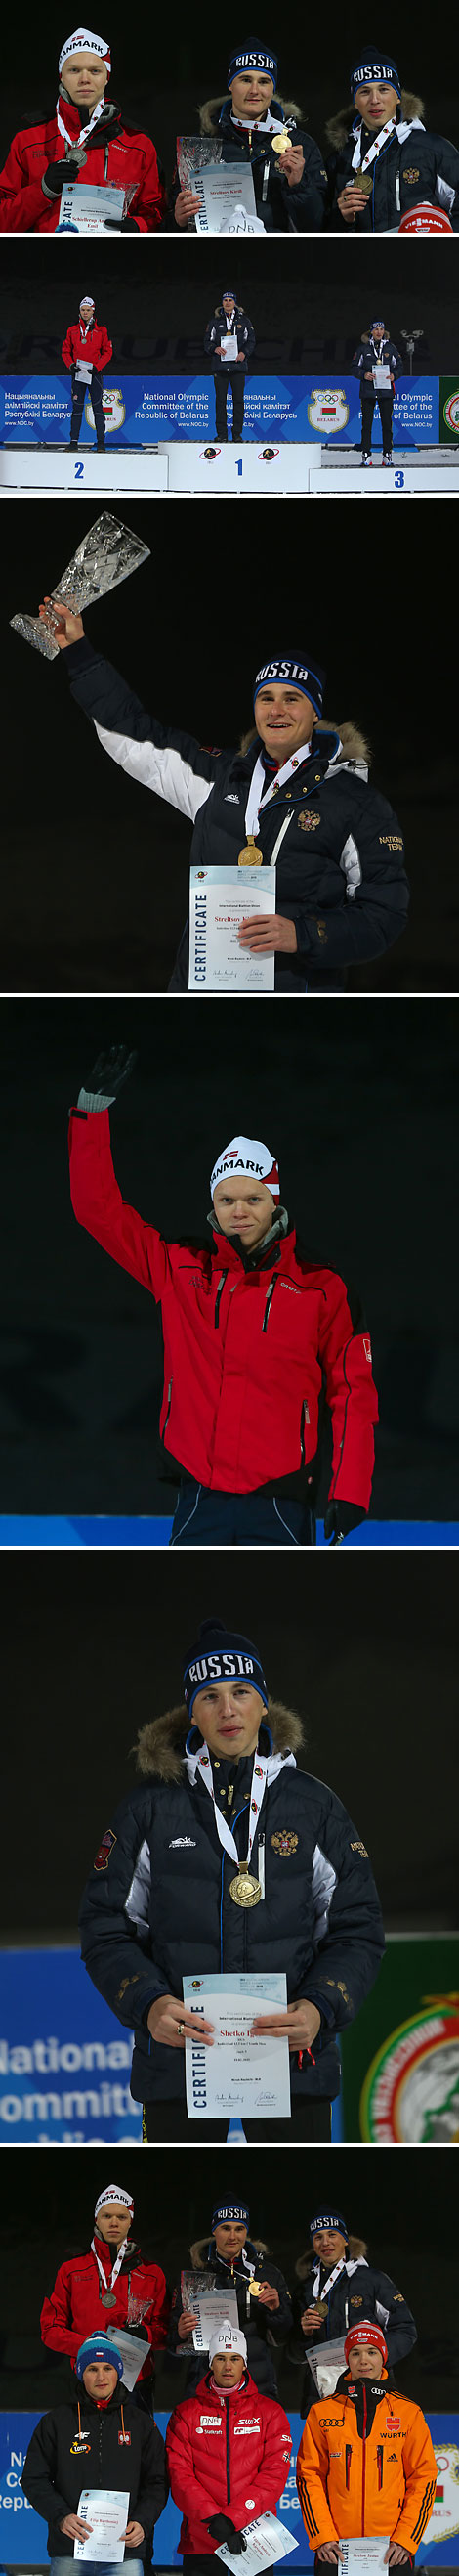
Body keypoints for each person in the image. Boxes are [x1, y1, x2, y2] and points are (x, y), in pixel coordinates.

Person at [79, 1610, 385, 2142]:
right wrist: (147, 2003)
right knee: (178, 2192)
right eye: (209, 1696)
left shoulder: (315, 1806)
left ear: (264, 1703)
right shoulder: (147, 1810)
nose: (228, 1710)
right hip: (179, 2063)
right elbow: (106, 1927)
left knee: (295, 2196)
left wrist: (321, 2006)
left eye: (242, 1691)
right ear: (190, 1715)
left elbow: (357, 1928)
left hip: (295, 2061)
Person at [68, 1086, 379, 1545]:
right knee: (190, 1610)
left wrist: (350, 1488)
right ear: (212, 1204)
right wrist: (91, 1113)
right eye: (226, 1199)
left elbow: (353, 1393)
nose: (239, 1212)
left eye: (252, 1199)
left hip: (282, 1501)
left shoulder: (322, 1287)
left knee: (281, 1614)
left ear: (275, 1200)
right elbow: (98, 1211)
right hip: (199, 1498)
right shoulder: (179, 1267)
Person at [42, 611, 409, 991]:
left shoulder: (357, 803)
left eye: (292, 698)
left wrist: (303, 934)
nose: (276, 710)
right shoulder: (220, 777)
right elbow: (136, 734)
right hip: (202, 1001)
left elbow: (384, 916)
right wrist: (79, 653)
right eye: (266, 697)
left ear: (316, 711)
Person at [21, 2332, 168, 2569]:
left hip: (124, 2552)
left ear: (118, 2372)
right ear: (81, 2374)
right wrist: (60, 2517)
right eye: (92, 2369)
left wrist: (142, 2522)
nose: (101, 2376)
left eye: (108, 2367)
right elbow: (33, 2479)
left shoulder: (140, 2423)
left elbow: (157, 2482)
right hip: (70, 2549)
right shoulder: (57, 2422)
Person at [296, 2321, 438, 2566]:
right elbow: (309, 2476)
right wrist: (322, 2537)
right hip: (335, 2550)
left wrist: (406, 2539)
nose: (364, 2360)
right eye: (355, 2352)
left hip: (392, 2551)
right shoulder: (322, 2412)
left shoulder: (408, 2412)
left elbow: (423, 2477)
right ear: (346, 2359)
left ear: (383, 2357)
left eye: (372, 2352)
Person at [0, 26, 167, 233]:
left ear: (107, 77)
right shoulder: (27, 141)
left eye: (95, 71)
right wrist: (42, 191)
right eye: (74, 70)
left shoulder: (138, 145)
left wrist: (138, 227)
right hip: (44, 262)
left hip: (115, 261)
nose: (84, 79)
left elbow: (158, 216)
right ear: (61, 76)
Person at [166, 2318, 293, 2569]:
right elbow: (179, 2474)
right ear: (210, 2362)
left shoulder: (271, 2412)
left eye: (235, 2359)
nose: (227, 2366)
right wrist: (214, 2519)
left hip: (255, 2538)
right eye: (220, 2358)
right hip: (203, 2536)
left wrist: (233, 2519)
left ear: (245, 2364)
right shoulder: (185, 2413)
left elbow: (274, 2475)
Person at [172, 42, 327, 233]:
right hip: (216, 256)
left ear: (272, 88)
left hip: (279, 257)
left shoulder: (300, 146)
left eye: (263, 81)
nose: (254, 90)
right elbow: (171, 220)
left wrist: (298, 185)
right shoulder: (199, 147)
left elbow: (316, 226)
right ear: (230, 84)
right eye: (246, 80)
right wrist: (177, 220)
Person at [40, 2184, 169, 2410]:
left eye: (121, 2216)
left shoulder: (151, 2272)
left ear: (130, 2221)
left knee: (137, 2445)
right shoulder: (71, 2270)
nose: (114, 2222)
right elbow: (50, 2330)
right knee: (83, 2445)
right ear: (96, 2219)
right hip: (86, 2379)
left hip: (136, 2384)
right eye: (106, 2216)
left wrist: (145, 2334)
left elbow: (167, 2330)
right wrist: (91, 2346)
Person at [290, 2209, 417, 2415]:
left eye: (332, 2234)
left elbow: (404, 2328)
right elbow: (294, 2354)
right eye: (318, 2237)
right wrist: (303, 2335)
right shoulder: (305, 2289)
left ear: (345, 2240)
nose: (325, 2242)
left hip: (369, 2386)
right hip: (322, 2392)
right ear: (312, 2244)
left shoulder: (372, 2280)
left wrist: (374, 2360)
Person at [168, 2199, 292, 2396]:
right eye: (225, 2228)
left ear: (246, 2232)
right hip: (205, 2386)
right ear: (214, 2231)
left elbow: (283, 2337)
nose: (233, 2236)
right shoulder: (195, 2275)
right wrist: (180, 2334)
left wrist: (276, 2310)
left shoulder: (267, 2275)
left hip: (257, 2386)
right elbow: (173, 2344)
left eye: (239, 2229)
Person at [327, 49, 459, 231]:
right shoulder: (341, 160)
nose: (375, 100)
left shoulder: (433, 149)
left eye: (383, 89)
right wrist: (343, 220)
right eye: (365, 92)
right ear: (355, 102)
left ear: (397, 96)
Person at [204, 287, 255, 442]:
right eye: (225, 300)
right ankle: (221, 435)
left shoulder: (244, 321)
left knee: (238, 401)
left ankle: (237, 434)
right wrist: (214, 348)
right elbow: (207, 342)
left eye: (230, 300)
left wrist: (244, 353)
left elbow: (251, 341)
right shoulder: (215, 322)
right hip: (220, 368)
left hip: (238, 367)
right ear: (222, 303)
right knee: (220, 402)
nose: (227, 303)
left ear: (235, 303)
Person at [62, 294, 112, 450]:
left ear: (93, 311)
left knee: (98, 408)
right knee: (77, 408)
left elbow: (107, 352)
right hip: (78, 374)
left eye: (88, 310)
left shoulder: (101, 331)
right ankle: (73, 442)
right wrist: (71, 365)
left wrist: (97, 366)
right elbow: (65, 351)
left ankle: (101, 443)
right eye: (83, 310)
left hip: (95, 374)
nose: (85, 313)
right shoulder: (72, 331)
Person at [353, 318, 401, 464]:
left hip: (386, 391)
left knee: (387, 424)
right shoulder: (363, 348)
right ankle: (366, 454)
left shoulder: (390, 348)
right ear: (371, 332)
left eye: (381, 330)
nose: (379, 332)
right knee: (367, 425)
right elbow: (354, 367)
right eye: (376, 330)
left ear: (384, 332)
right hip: (368, 391)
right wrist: (363, 374)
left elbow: (399, 366)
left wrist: (394, 375)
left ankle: (387, 454)